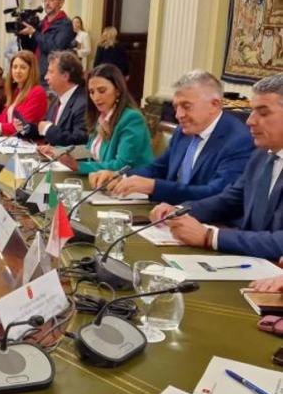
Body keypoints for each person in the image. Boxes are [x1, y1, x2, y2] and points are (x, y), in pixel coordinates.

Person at [151, 73, 283, 260]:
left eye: (263, 113)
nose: (250, 121)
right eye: (252, 111)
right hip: (250, 260)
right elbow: (230, 199)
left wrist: (211, 237)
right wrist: (180, 210)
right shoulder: (261, 155)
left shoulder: (244, 142)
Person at [91, 70, 254, 204]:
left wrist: (154, 187)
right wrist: (120, 176)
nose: (178, 115)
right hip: (167, 212)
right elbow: (158, 168)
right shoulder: (183, 131)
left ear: (214, 105)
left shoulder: (238, 140)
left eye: (186, 106)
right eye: (176, 107)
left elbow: (216, 193)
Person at [39, 63, 153, 174]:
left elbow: (122, 166)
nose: (96, 97)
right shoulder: (101, 116)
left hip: (128, 183)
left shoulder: (132, 119)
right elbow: (89, 150)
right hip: (101, 181)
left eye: (102, 91)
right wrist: (57, 151)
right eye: (92, 92)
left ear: (118, 90)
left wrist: (78, 166)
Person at [17, 51, 89, 146]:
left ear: (65, 76)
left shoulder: (83, 103)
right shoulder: (56, 100)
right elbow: (45, 131)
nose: (46, 77)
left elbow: (80, 140)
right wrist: (26, 129)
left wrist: (48, 129)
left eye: (51, 72)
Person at [0, 50, 47, 135]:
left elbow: (22, 126)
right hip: (11, 139)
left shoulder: (37, 92)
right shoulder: (16, 90)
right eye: (14, 67)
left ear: (31, 70)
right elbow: (4, 117)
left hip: (27, 141)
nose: (17, 71)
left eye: (23, 67)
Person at [18, 0, 75, 81]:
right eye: (45, 0)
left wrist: (34, 33)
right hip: (35, 73)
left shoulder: (66, 24)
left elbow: (55, 48)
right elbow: (30, 50)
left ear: (61, 2)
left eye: (51, 0)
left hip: (51, 75)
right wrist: (23, 35)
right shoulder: (41, 24)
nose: (47, 3)